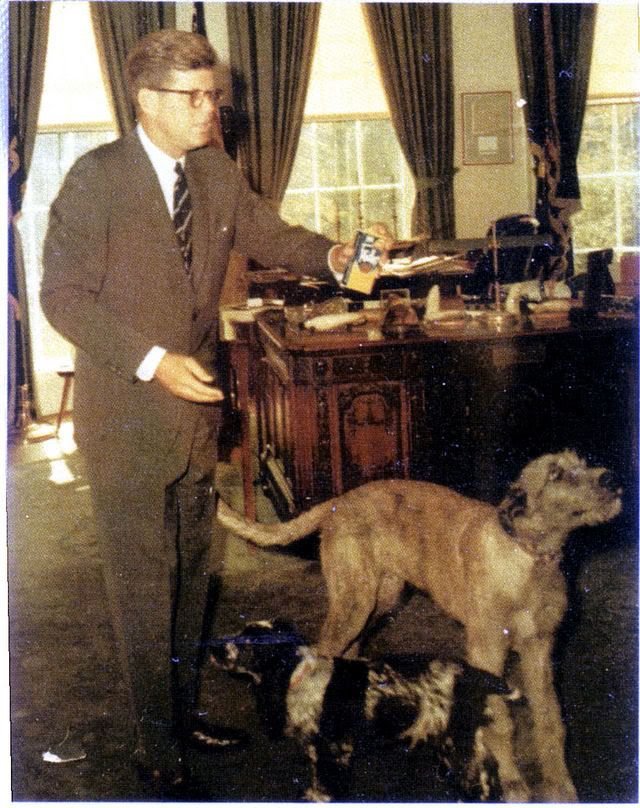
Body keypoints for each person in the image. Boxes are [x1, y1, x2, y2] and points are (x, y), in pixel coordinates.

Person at [40, 29, 362, 795]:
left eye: (214, 94)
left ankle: (181, 717)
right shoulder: (96, 181)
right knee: (143, 592)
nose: (211, 109)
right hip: (127, 423)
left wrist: (336, 258)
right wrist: (152, 360)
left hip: (195, 423)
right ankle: (157, 750)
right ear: (146, 101)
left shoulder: (214, 170)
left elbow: (270, 232)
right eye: (194, 97)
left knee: (192, 582)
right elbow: (63, 297)